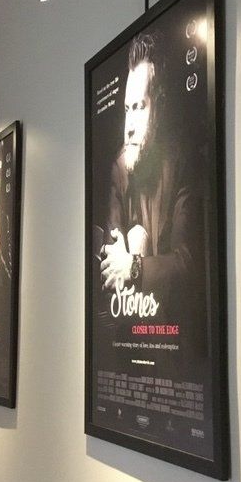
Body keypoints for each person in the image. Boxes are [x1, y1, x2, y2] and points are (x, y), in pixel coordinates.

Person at [99, 33, 203, 334]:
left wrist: (135, 268)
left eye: (140, 107)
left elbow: (189, 263)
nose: (129, 127)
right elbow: (111, 258)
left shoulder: (182, 164)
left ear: (158, 107)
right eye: (127, 109)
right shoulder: (120, 168)